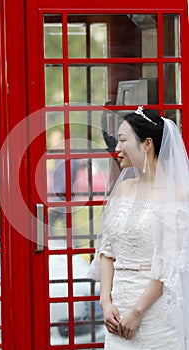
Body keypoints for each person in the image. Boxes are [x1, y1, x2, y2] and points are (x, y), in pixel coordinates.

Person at [88, 106, 189, 349]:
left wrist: (137, 311)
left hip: (155, 315)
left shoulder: (176, 194)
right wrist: (105, 302)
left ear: (147, 144)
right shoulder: (123, 189)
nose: (116, 149)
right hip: (117, 313)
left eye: (123, 141)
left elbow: (169, 263)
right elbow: (107, 250)